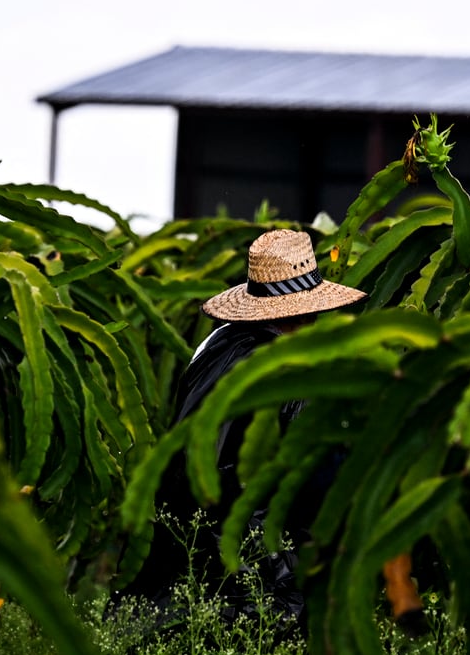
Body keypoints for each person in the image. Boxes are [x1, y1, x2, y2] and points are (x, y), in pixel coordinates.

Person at [125, 228, 366, 628]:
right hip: (254, 553)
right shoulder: (288, 372)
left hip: (185, 534)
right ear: (304, 311)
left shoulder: (215, 344)